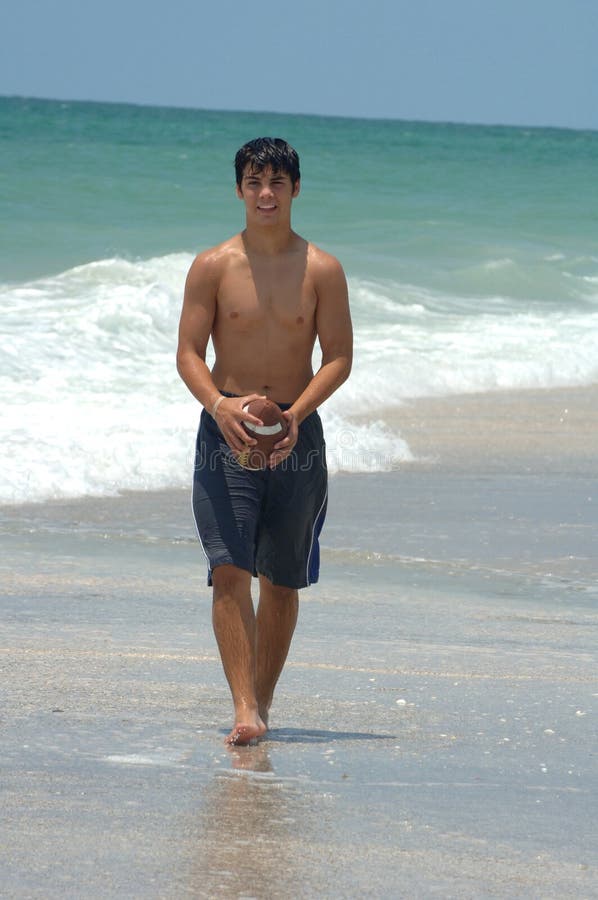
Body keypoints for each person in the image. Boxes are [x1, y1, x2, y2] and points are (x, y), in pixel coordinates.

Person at [176, 137, 352, 745]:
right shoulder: (213, 266)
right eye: (254, 183)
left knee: (281, 579)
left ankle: (264, 700)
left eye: (277, 182)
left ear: (296, 189)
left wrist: (298, 414)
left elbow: (339, 358)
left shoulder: (322, 269)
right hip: (226, 433)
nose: (266, 194)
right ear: (239, 191)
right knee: (229, 569)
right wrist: (219, 404)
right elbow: (188, 354)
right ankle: (243, 707)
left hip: (297, 437)